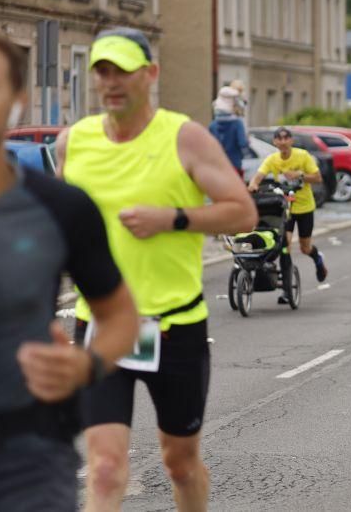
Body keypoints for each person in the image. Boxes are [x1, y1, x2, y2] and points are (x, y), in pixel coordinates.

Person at [56, 27, 258, 512]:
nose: (111, 82)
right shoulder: (72, 143)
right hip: (101, 325)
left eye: (123, 71)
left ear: (150, 74)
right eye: (102, 71)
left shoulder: (185, 138)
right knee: (105, 468)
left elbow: (243, 213)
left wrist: (173, 219)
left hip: (174, 326)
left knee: (180, 463)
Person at [0, 30, 138, 511]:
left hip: (28, 461)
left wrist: (87, 365)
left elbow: (121, 316)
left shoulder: (61, 207)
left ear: (17, 99)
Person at [248, 126, 329, 287]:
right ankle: (287, 285)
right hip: (285, 209)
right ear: (275, 142)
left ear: (291, 141)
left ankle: (318, 259)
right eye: (279, 139)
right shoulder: (272, 159)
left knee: (305, 248)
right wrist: (253, 185)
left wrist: (300, 175)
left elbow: (318, 177)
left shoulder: (302, 156)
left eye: (286, 138)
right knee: (285, 245)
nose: (283, 142)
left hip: (304, 207)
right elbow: (258, 176)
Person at [208, 85, 249, 177]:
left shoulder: (213, 125)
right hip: (234, 165)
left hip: (217, 166)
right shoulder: (237, 123)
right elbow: (243, 143)